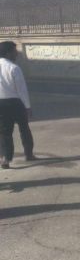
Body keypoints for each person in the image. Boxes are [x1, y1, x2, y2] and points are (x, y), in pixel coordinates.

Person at [0, 41, 35, 169]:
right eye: (15, 51)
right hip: (15, 102)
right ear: (8, 53)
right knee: (24, 128)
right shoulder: (14, 68)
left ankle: (5, 158)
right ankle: (28, 154)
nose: (17, 53)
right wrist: (28, 106)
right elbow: (22, 90)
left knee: (4, 132)